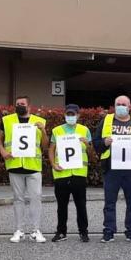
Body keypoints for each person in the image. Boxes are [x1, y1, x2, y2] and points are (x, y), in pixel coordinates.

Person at [93, 95, 131, 243]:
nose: (121, 106)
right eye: (118, 104)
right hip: (111, 168)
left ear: (129, 106)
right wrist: (104, 143)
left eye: (124, 104)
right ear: (114, 106)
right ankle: (109, 231)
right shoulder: (106, 120)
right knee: (109, 202)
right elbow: (96, 143)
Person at [0, 96, 50, 243]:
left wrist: (43, 131)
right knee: (18, 199)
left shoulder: (40, 121)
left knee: (36, 198)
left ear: (29, 106)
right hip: (14, 165)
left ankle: (35, 230)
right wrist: (3, 152)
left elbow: (45, 146)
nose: (19, 105)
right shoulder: (7, 120)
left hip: (33, 167)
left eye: (22, 104)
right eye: (17, 104)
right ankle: (19, 230)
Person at [48, 104, 92, 242]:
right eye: (68, 114)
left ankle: (83, 232)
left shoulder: (84, 130)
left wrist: (87, 144)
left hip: (79, 173)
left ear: (78, 115)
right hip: (62, 173)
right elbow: (51, 149)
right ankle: (61, 232)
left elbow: (91, 153)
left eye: (73, 114)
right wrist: (53, 164)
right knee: (61, 206)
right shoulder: (57, 130)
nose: (71, 117)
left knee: (81, 205)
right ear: (65, 115)